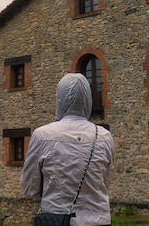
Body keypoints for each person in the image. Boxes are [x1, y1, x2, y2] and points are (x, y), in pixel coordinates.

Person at [20, 73, 115, 226]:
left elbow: (29, 188)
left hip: (57, 220)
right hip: (98, 221)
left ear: (60, 99)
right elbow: (105, 181)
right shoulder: (104, 136)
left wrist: (56, 193)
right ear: (87, 100)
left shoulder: (42, 135)